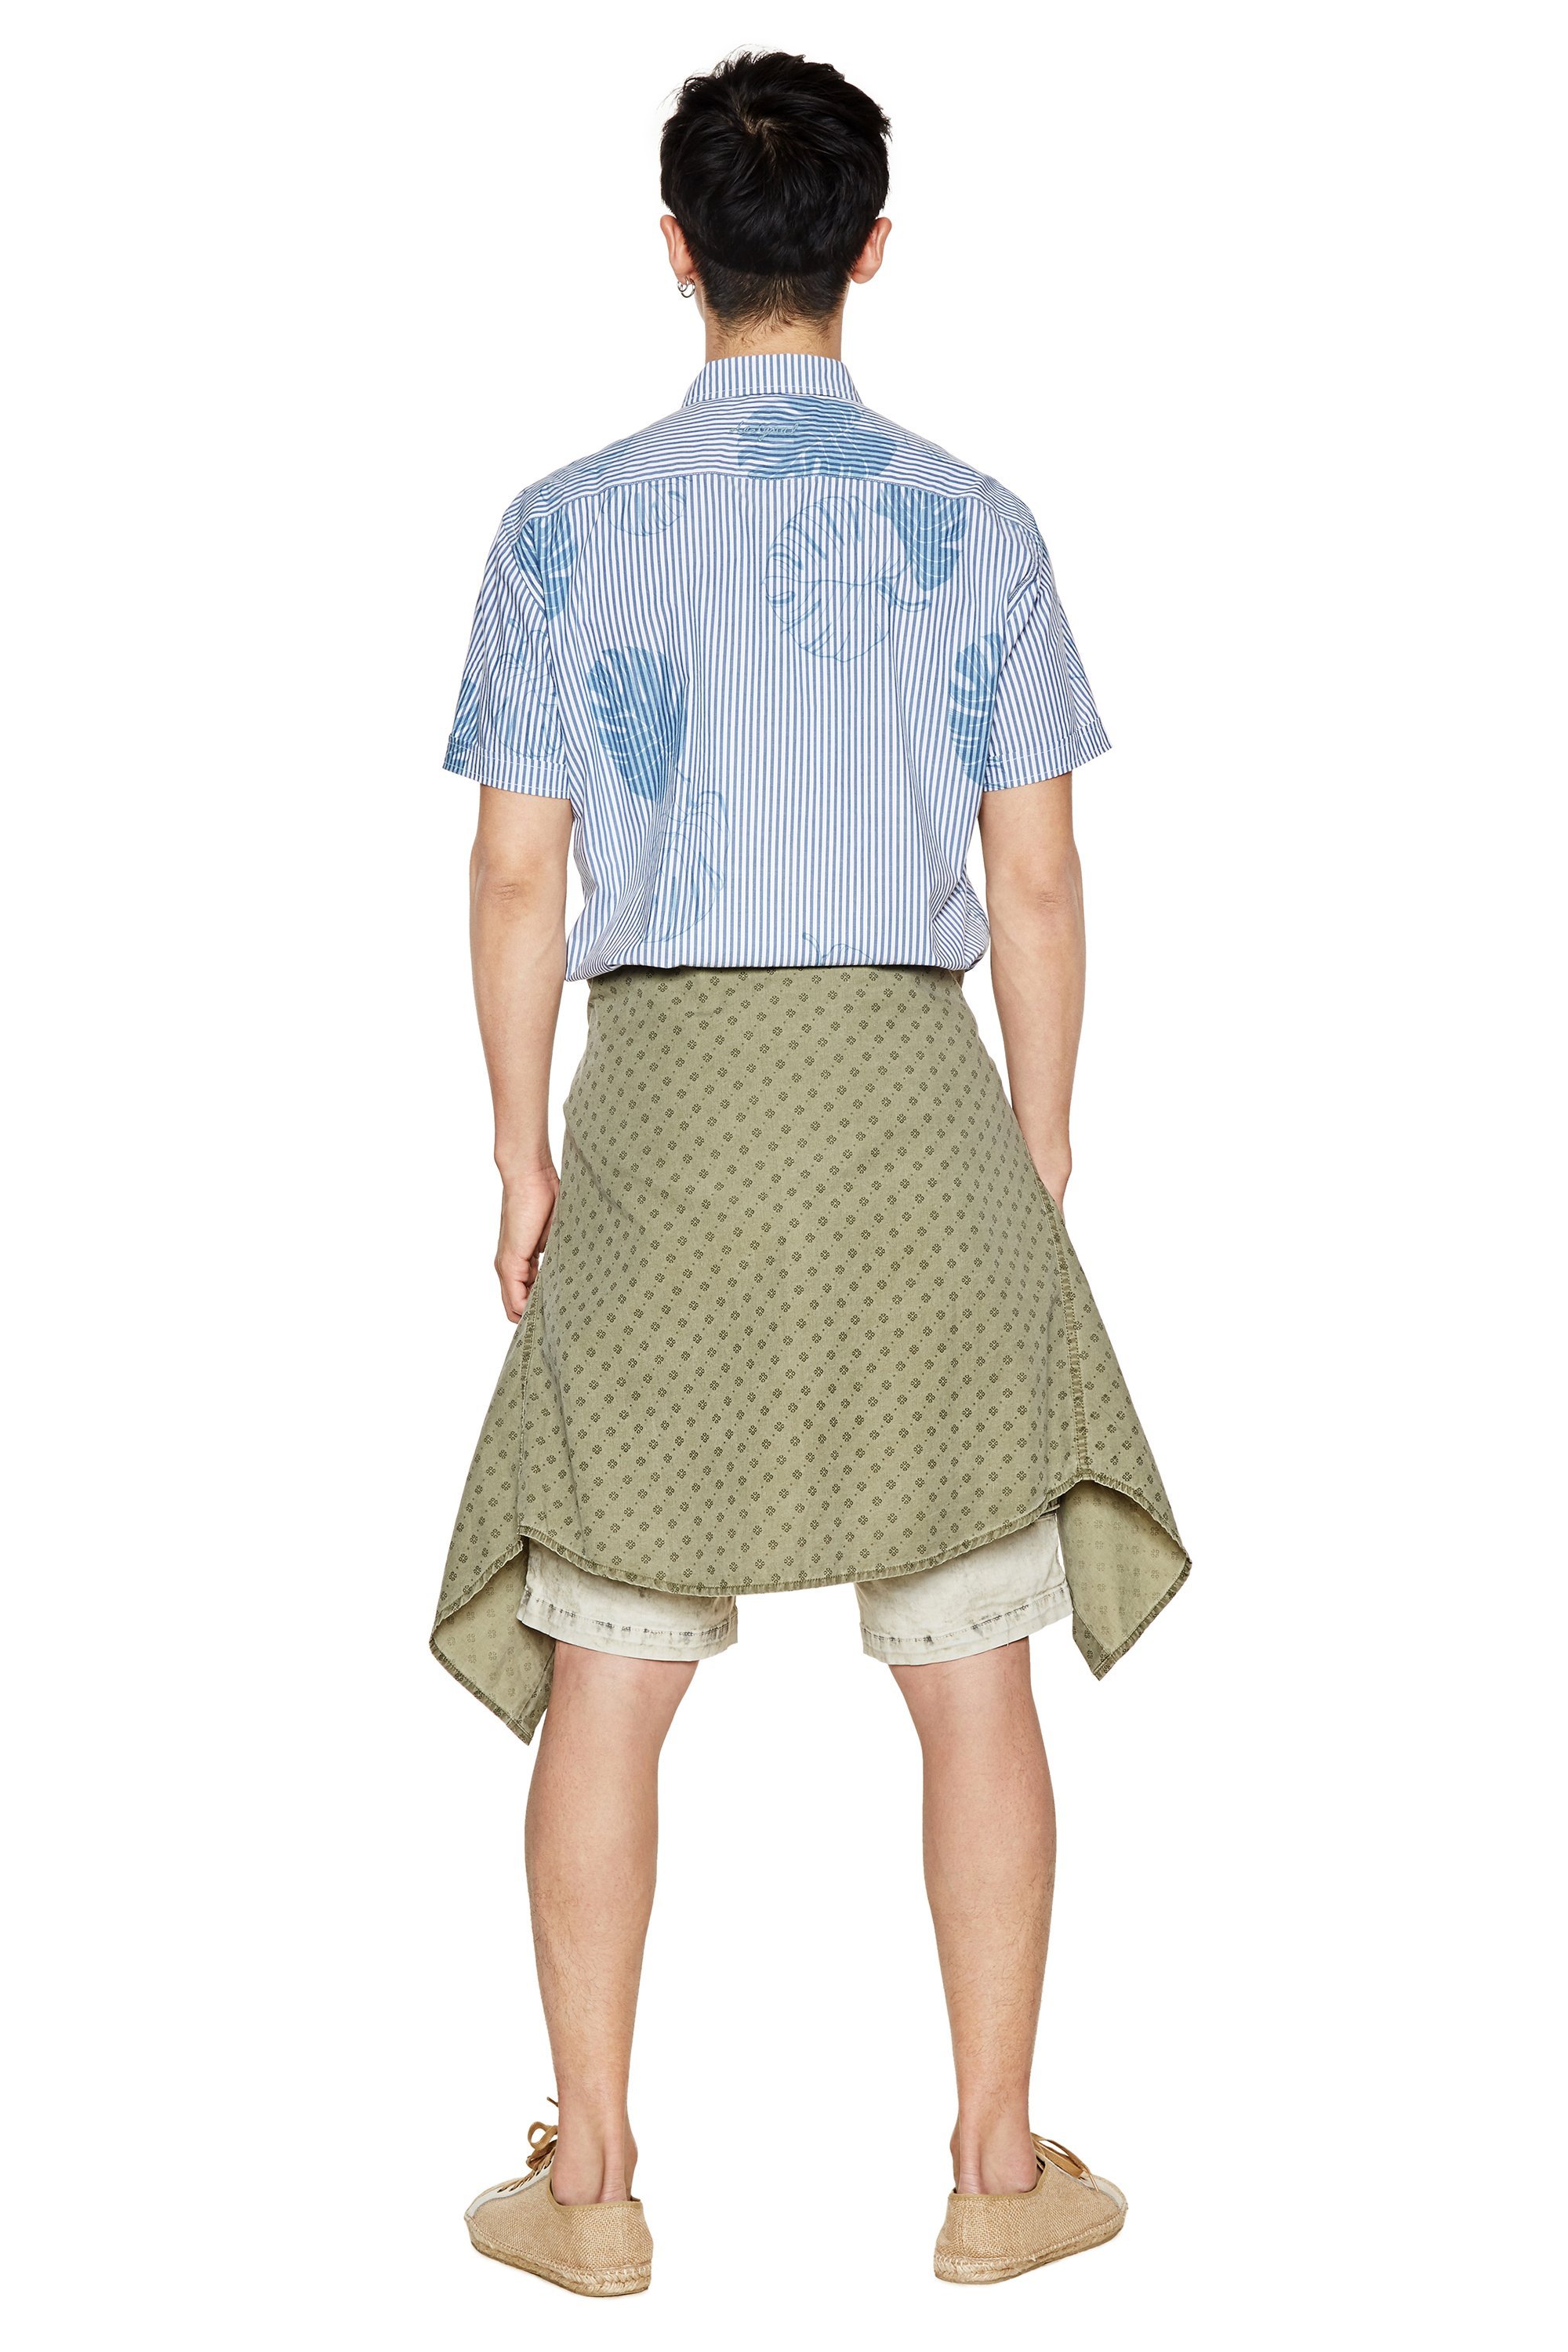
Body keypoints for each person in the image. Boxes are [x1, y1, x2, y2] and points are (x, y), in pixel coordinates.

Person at [431, 49, 1189, 2296]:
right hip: (908, 1100)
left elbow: (515, 874)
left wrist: (517, 1151)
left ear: (677, 251)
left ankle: (589, 2191)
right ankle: (996, 2168)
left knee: (608, 1668)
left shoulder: (560, 529)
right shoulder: (979, 523)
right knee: (974, 1673)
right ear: (869, 247)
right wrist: (1033, 1144)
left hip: (663, 1109)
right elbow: (1035, 882)